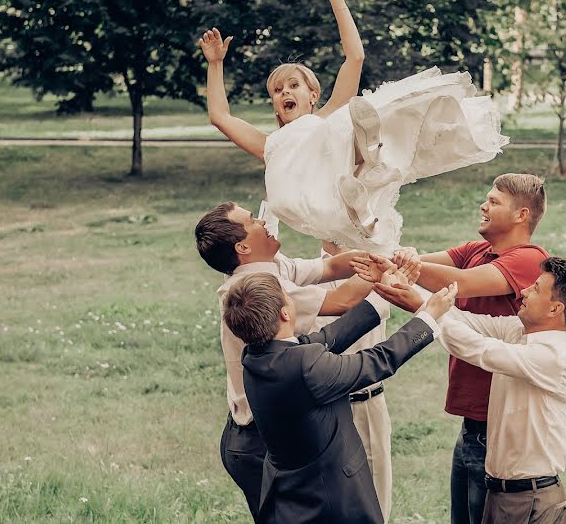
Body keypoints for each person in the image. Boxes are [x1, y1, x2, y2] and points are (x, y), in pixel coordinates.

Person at [198, 0, 507, 252]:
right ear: (275, 106)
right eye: (277, 91)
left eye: (294, 85)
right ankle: (366, 163)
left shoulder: (324, 119)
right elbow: (220, 116)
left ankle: (369, 153)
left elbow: (354, 58)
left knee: (347, 117)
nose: (284, 92)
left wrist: (338, 2)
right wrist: (215, 64)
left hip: (344, 194)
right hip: (308, 205)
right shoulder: (270, 144)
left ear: (313, 95)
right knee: (339, 127)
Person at [194, 201, 409, 521]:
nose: (263, 221)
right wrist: (380, 276)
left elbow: (330, 268)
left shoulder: (268, 265)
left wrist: (371, 257)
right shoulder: (262, 289)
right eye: (252, 220)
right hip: (258, 439)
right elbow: (342, 301)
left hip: (266, 429)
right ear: (243, 246)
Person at [354, 173, 549, 524]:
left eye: (494, 201)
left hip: (498, 424)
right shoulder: (476, 251)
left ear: (521, 215)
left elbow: (463, 285)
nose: (483, 205)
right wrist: (402, 258)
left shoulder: (528, 260)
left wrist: (409, 268)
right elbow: (425, 265)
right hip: (473, 423)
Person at [369, 257, 566, 524]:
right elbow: (464, 321)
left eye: (535, 289)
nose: (524, 291)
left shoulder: (555, 356)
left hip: (531, 499)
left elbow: (479, 349)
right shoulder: (519, 331)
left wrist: (424, 310)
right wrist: (406, 285)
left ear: (554, 309)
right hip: (504, 493)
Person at [224, 271, 458, 524]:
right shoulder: (304, 366)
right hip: (331, 497)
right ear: (285, 313)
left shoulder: (256, 356)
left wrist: (381, 297)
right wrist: (427, 317)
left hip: (289, 491)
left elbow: (325, 339)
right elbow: (378, 360)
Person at [309, 241, 395, 522]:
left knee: (375, 501)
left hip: (367, 400)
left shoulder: (381, 265)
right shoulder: (305, 276)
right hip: (322, 408)